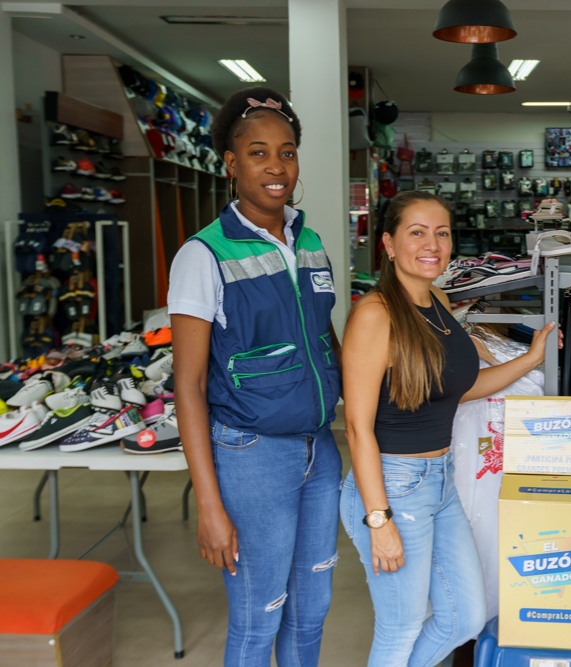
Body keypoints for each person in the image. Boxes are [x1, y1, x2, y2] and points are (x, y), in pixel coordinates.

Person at [340, 190, 558, 667]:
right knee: (400, 628)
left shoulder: (437, 301)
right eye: (416, 232)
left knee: (465, 618)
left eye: (441, 233)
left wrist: (529, 360)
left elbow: (461, 389)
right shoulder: (375, 315)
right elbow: (357, 427)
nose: (432, 244)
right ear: (389, 244)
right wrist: (379, 520)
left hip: (440, 482)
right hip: (394, 485)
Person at [171, 87, 343, 667]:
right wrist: (210, 506)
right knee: (258, 615)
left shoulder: (312, 242)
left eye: (288, 152)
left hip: (320, 449)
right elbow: (188, 387)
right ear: (231, 162)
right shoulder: (204, 255)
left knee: (312, 609)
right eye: (259, 152)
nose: (276, 167)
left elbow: (325, 339)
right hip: (252, 455)